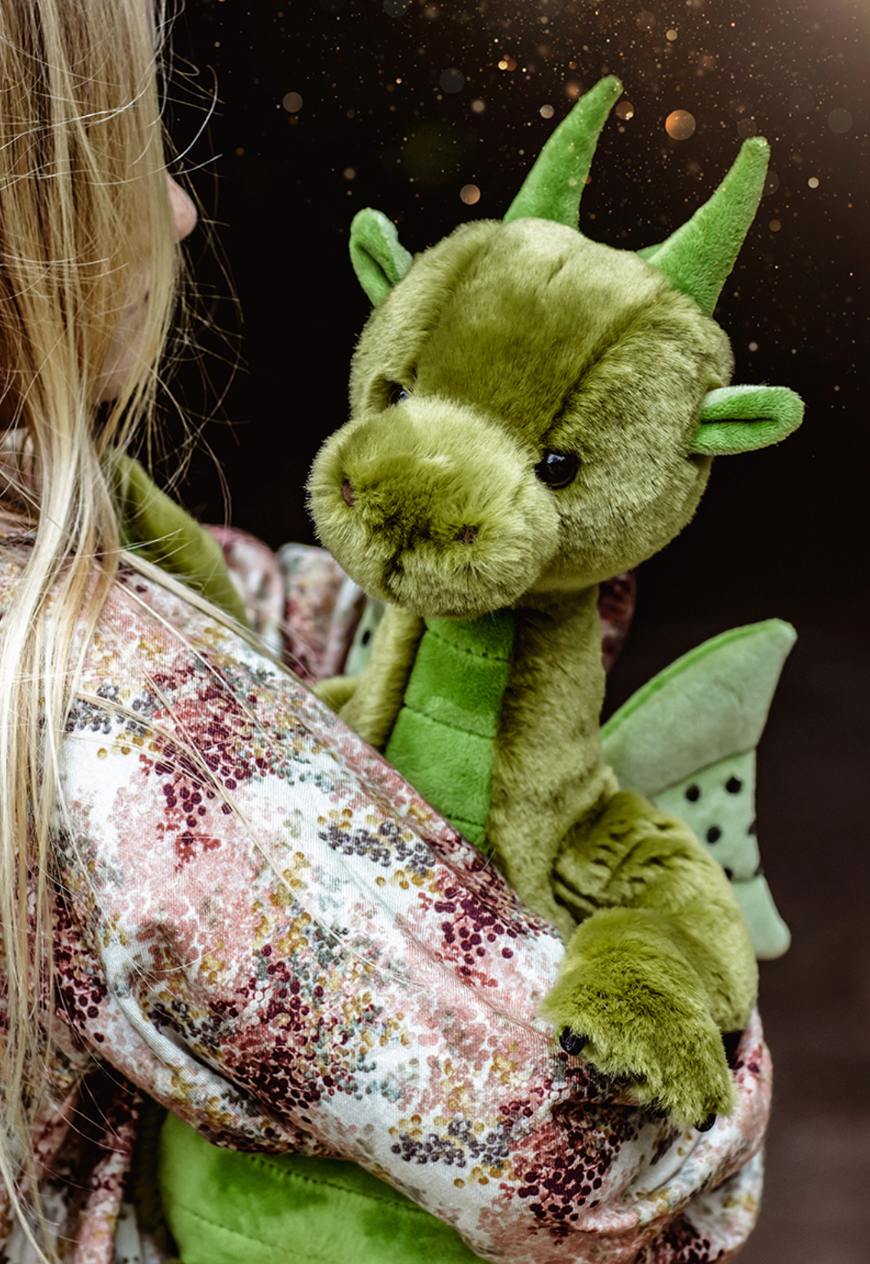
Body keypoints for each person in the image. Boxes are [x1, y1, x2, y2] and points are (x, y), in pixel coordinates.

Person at [0, 3, 771, 1262]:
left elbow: (265, 603)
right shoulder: (134, 720)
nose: (181, 210)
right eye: (135, 143)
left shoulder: (62, 534)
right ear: (30, 209)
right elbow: (601, 1154)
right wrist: (717, 1032)